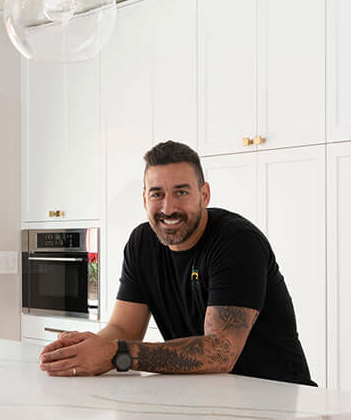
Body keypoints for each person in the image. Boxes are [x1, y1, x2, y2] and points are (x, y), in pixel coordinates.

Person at [39, 140, 315, 383]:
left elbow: (221, 352)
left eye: (181, 192)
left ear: (204, 194)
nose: (168, 207)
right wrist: (85, 347)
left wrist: (116, 354)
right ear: (144, 199)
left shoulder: (237, 241)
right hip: (206, 394)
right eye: (157, 193)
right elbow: (125, 328)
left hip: (278, 396)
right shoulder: (141, 242)